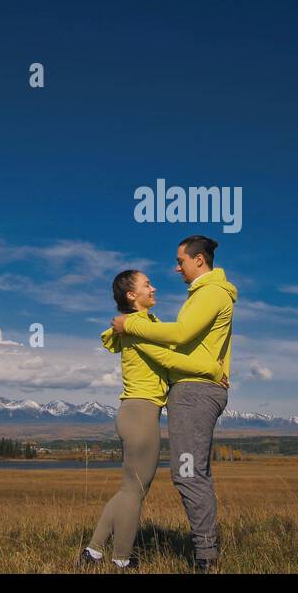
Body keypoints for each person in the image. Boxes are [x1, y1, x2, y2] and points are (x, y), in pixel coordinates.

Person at [80, 269, 227, 571]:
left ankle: (93, 552)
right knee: (134, 491)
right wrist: (213, 370)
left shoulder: (144, 324)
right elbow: (169, 360)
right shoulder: (136, 326)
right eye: (147, 284)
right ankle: (121, 559)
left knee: (128, 489)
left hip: (138, 412)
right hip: (141, 414)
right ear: (132, 296)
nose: (154, 287)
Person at [111, 235, 236, 571]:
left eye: (180, 261)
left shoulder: (210, 293)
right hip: (193, 389)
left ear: (198, 260)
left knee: (187, 473)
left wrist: (131, 323)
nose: (176, 267)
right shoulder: (202, 295)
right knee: (194, 472)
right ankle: (205, 552)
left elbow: (179, 335)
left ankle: (205, 557)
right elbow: (175, 347)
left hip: (195, 392)